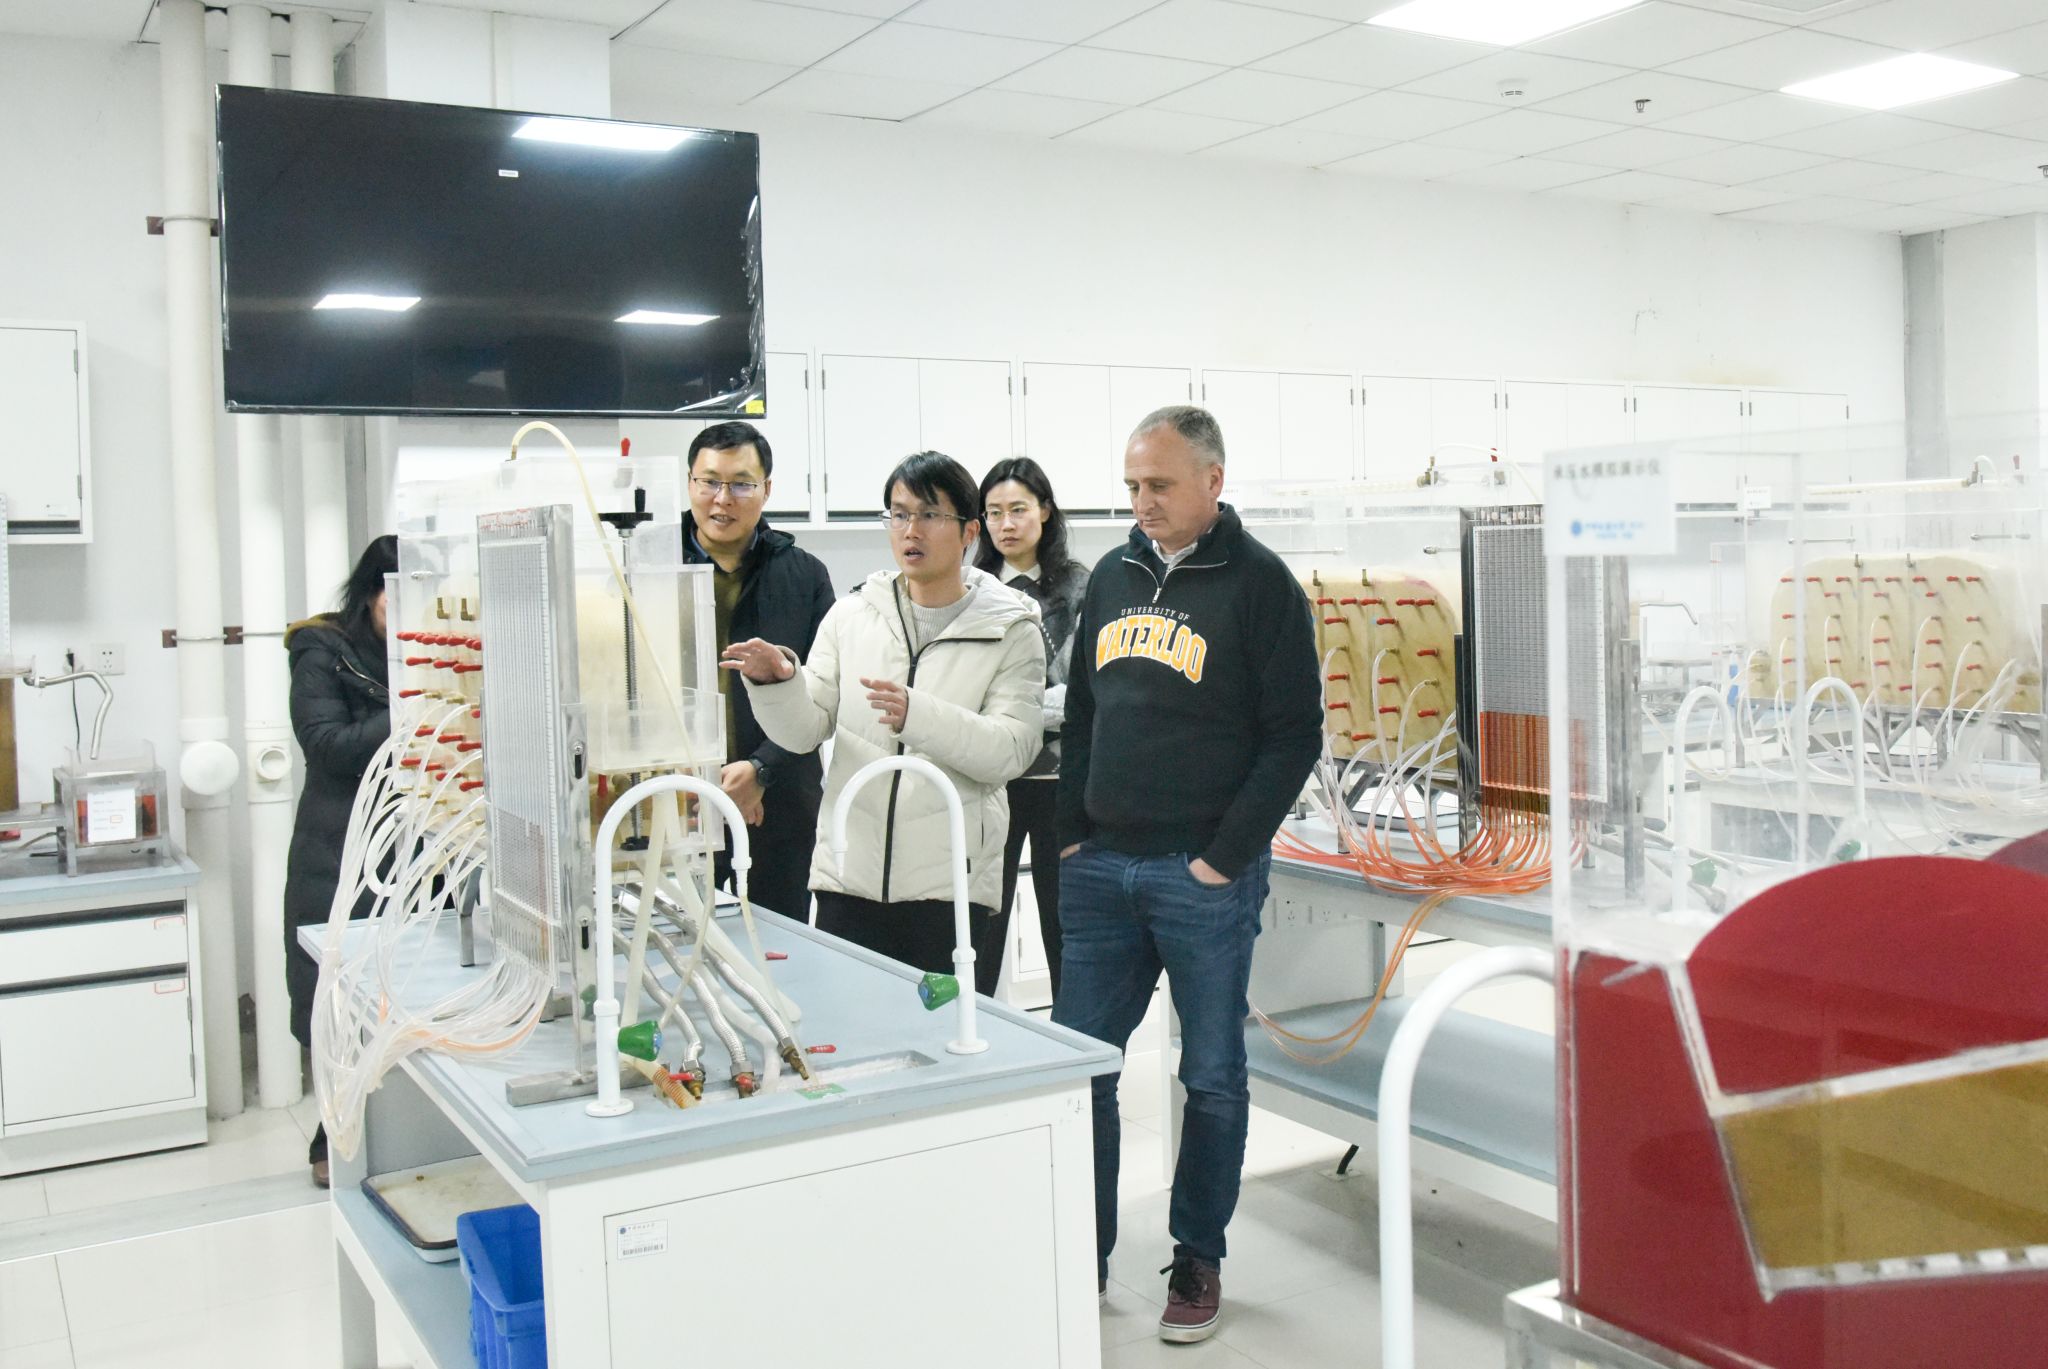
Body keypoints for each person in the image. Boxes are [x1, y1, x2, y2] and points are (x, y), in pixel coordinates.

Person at [1053, 406, 1321, 1343]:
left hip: (1201, 877)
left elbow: (1294, 737)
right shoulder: (1112, 577)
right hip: (1101, 870)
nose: (1143, 501)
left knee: (1209, 1075)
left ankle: (1197, 1255)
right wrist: (1073, 833)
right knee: (1081, 1070)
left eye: (1160, 484)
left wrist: (1222, 857)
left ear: (1213, 480)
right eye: (1133, 485)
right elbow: (1083, 712)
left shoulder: (1262, 585)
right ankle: (1078, 1255)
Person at [722, 452, 1044, 996]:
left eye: (929, 515)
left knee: (944, 1035)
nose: (910, 530)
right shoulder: (852, 615)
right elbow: (803, 731)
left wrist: (919, 716)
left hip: (951, 888)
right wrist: (779, 682)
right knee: (851, 1028)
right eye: (898, 514)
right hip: (849, 878)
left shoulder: (1011, 629)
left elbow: (1011, 750)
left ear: (969, 532)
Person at [682, 420, 837, 922]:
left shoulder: (805, 576)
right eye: (709, 482)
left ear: (767, 489)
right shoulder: (650, 569)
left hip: (781, 803)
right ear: (689, 483)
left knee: (781, 948)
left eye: (741, 484)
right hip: (680, 801)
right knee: (679, 943)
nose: (722, 499)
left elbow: (825, 692)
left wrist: (761, 769)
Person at [283, 534, 398, 1189]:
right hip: (340, 850)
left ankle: (402, 1138)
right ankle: (333, 1136)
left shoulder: (430, 652)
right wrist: (412, 708)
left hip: (414, 847)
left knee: (403, 1001)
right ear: (370, 593)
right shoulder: (321, 651)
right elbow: (326, 745)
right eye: (394, 599)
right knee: (337, 1003)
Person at [973, 457, 1088, 1002]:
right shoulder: (970, 590)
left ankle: (1073, 1041)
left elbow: (1082, 691)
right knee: (982, 922)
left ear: (1044, 511)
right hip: (988, 780)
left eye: (1017, 509)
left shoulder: (1082, 586)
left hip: (1061, 783)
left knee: (1064, 924)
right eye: (993, 512)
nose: (1006, 524)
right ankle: (972, 1033)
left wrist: (1005, 712)